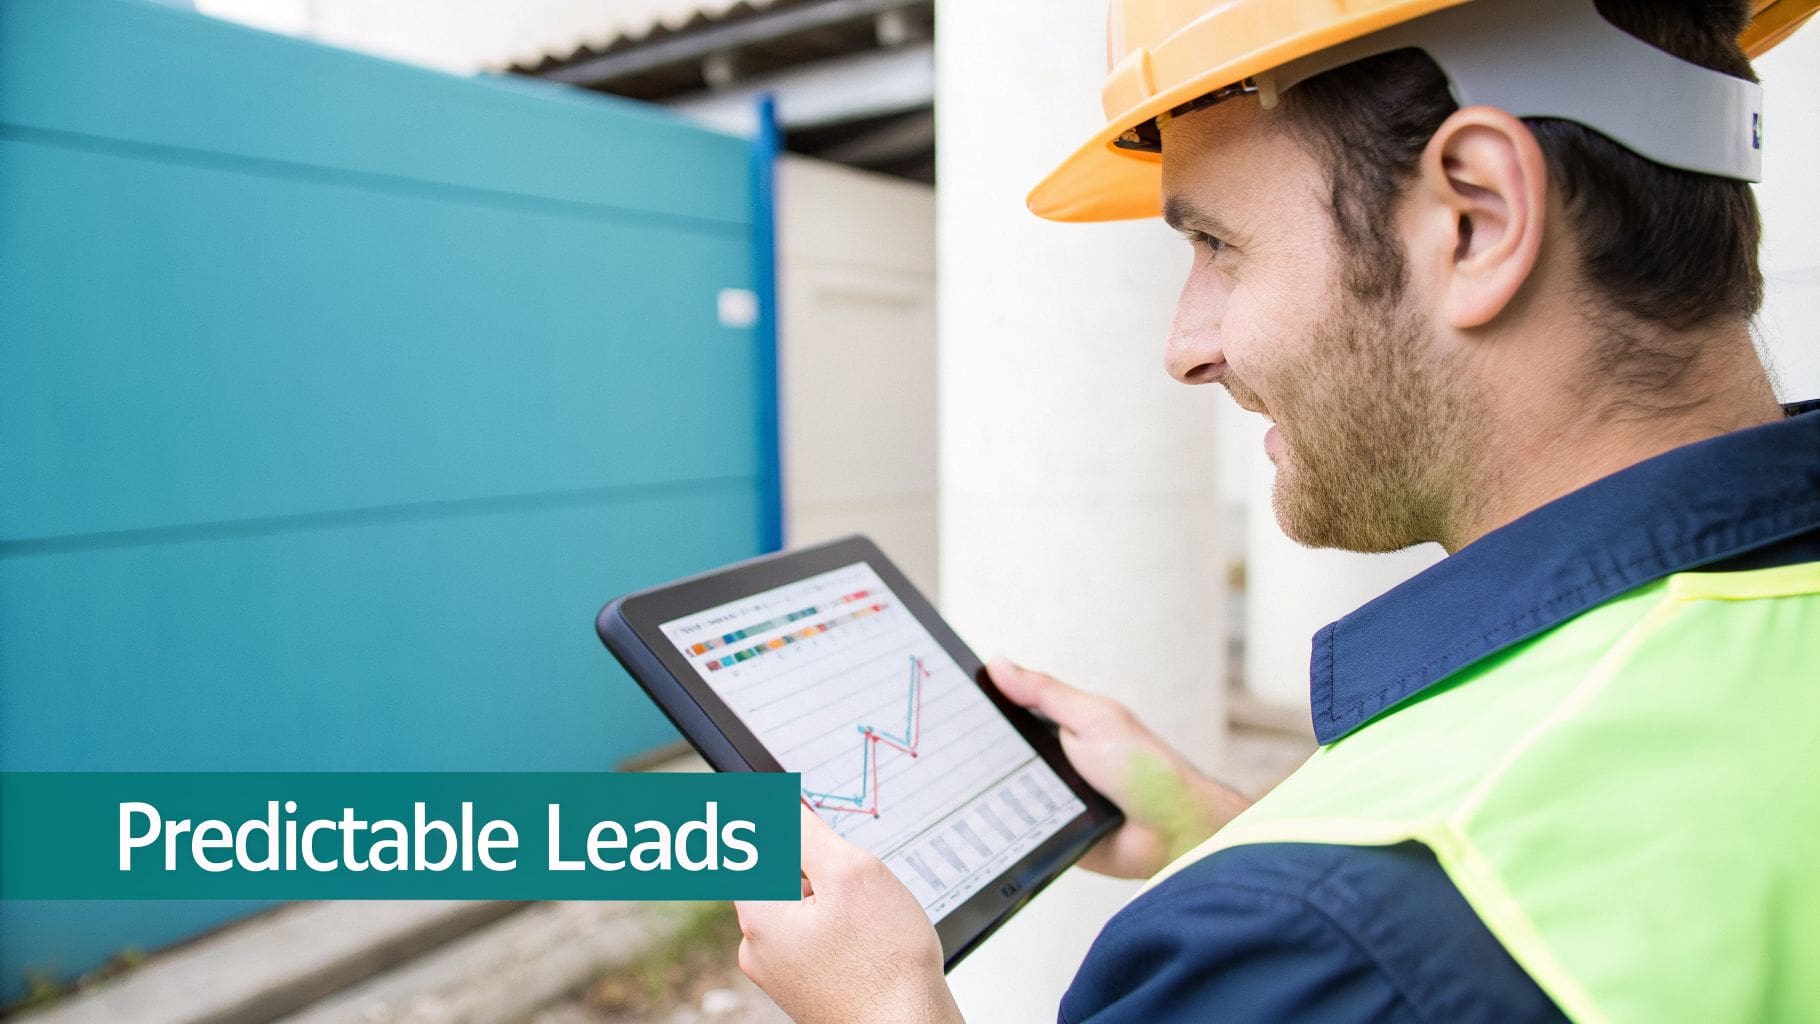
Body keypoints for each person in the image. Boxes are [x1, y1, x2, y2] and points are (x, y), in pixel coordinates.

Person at [733, 0, 1820, 1020]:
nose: (1184, 348)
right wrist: (1221, 829)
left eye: (1216, 243)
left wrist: (883, 1001)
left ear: (1476, 220)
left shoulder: (1309, 935)